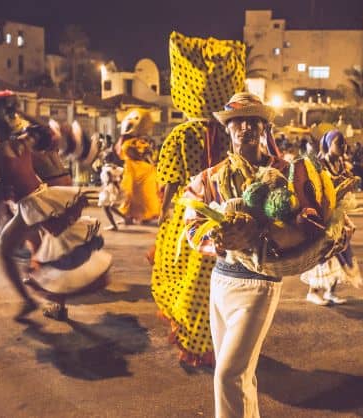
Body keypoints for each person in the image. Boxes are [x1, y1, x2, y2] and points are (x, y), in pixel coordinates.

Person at [183, 92, 289, 418]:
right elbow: (190, 226)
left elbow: (304, 225)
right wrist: (215, 241)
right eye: (237, 122)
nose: (246, 127)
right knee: (242, 376)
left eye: (254, 120)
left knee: (228, 375)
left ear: (264, 128)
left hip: (259, 283)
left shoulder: (283, 173)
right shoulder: (209, 178)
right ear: (227, 130)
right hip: (221, 282)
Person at [0, 91, 111, 321]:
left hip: (31, 206)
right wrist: (19, 111)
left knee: (9, 249)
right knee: (53, 249)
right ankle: (55, 304)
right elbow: (46, 133)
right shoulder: (24, 142)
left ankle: (28, 302)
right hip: (46, 196)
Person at [150, 32, 245, 368]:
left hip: (189, 221)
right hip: (226, 218)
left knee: (188, 282)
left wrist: (162, 219)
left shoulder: (181, 134)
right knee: (220, 284)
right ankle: (222, 339)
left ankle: (196, 341)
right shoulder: (234, 133)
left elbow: (171, 182)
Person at [301, 130, 359, 306]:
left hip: (338, 212)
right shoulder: (320, 163)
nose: (343, 147)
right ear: (327, 145)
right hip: (323, 215)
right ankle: (313, 291)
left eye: (344, 143)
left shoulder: (341, 163)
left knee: (340, 250)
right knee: (323, 252)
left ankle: (330, 291)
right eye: (338, 143)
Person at [117, 109, 161, 224]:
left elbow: (147, 156)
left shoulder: (138, 143)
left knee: (139, 194)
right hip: (133, 171)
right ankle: (131, 216)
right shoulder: (129, 142)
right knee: (131, 193)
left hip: (141, 172)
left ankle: (142, 216)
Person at [98, 151, 125, 230]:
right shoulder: (117, 168)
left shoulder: (107, 169)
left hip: (109, 188)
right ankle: (125, 218)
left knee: (105, 207)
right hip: (115, 187)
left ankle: (114, 225)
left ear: (105, 159)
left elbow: (109, 180)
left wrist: (106, 185)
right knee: (111, 206)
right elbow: (120, 177)